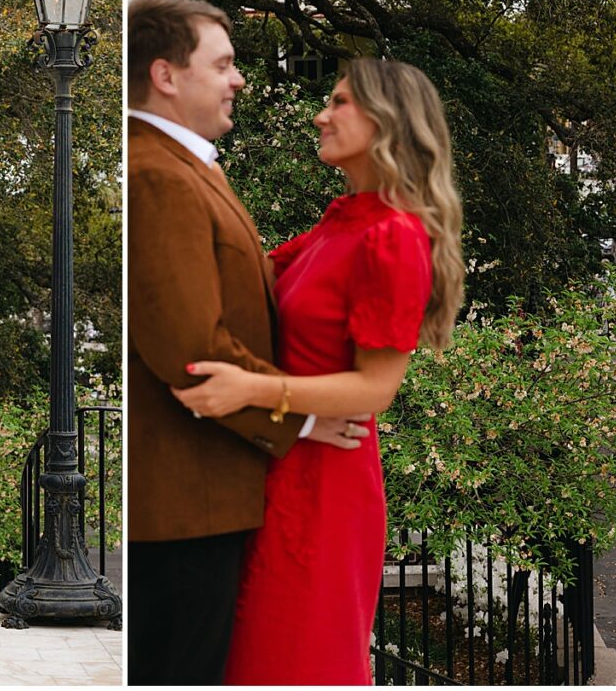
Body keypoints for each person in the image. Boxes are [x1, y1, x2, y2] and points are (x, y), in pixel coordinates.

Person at [173, 57, 465, 684]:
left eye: (338, 103)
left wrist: (251, 389)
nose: (320, 115)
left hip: (327, 482)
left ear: (387, 120)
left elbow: (376, 387)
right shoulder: (340, 222)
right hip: (278, 460)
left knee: (295, 662)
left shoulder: (392, 236)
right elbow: (242, 278)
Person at [127, 0, 370, 686]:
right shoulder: (155, 174)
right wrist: (304, 415)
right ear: (167, 74)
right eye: (225, 63)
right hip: (184, 506)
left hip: (215, 493)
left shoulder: (190, 165)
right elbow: (190, 353)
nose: (239, 79)